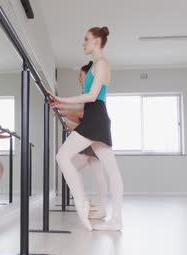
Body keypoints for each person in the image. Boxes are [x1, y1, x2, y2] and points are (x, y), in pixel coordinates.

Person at [51, 27, 124, 231]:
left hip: (95, 118)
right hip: (96, 116)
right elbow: (89, 103)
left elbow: (92, 97)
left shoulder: (102, 64)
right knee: (112, 170)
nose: (83, 43)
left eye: (86, 39)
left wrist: (61, 99)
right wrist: (61, 105)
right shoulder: (96, 65)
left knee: (62, 156)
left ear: (97, 41)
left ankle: (82, 201)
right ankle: (115, 219)